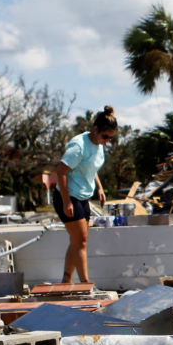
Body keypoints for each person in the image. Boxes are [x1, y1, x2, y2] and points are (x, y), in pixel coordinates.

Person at [51, 106, 117, 284]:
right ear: (95, 129)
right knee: (81, 241)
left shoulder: (99, 144)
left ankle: (66, 280)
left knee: (77, 240)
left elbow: (90, 167)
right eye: (105, 136)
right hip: (68, 196)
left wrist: (100, 188)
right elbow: (61, 171)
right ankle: (85, 283)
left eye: (111, 138)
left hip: (83, 196)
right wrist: (66, 202)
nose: (107, 141)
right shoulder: (78, 146)